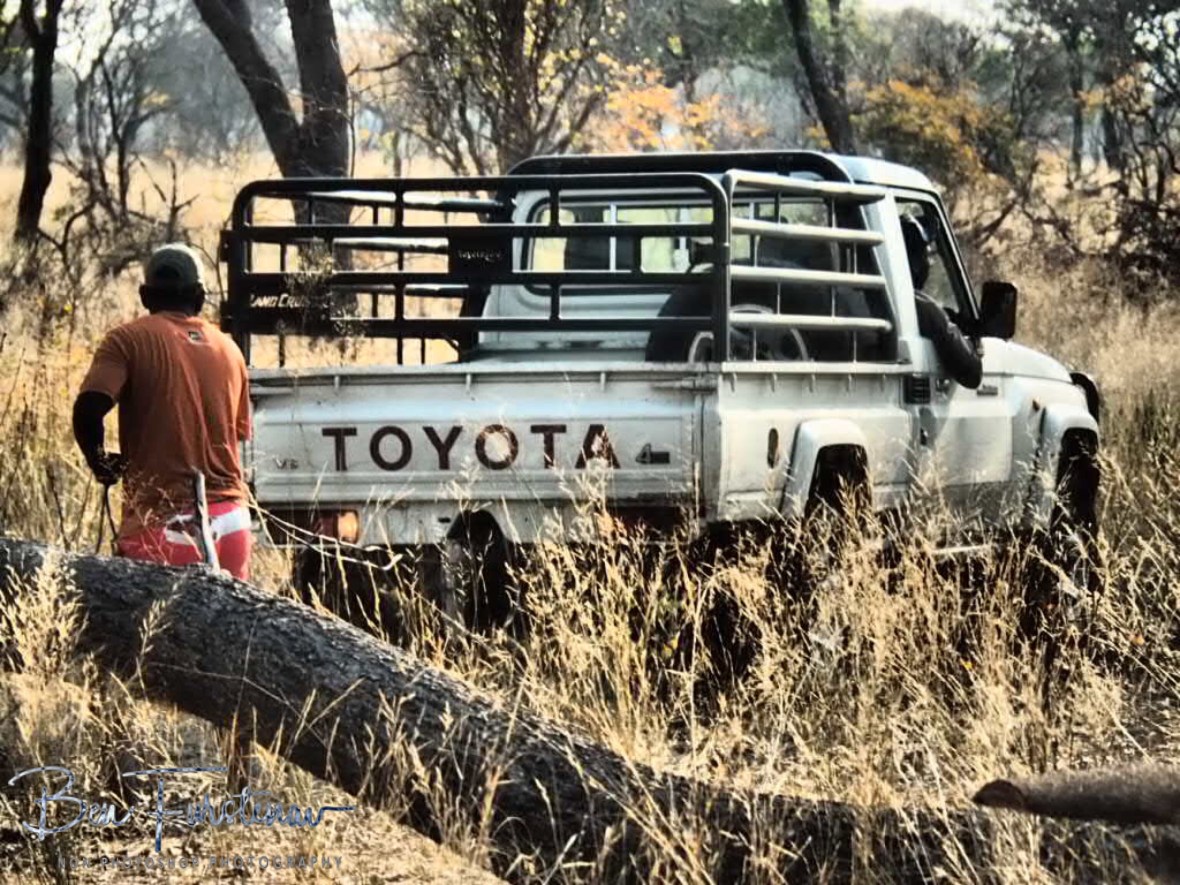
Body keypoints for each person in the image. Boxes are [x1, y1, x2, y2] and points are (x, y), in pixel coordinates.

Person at [73, 243, 254, 579]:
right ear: (200, 296)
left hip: (163, 528)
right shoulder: (230, 350)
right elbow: (237, 435)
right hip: (233, 523)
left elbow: (88, 408)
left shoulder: (126, 340)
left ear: (145, 296)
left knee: (147, 631)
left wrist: (100, 462)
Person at [900, 215, 983, 390]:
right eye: (926, 253)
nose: (930, 262)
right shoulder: (922, 309)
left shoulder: (851, 296)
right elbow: (972, 373)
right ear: (912, 261)